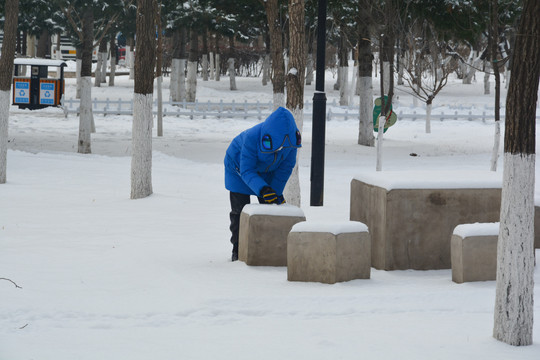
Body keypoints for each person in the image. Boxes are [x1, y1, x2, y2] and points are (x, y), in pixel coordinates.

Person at [224, 107, 302, 261]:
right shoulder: (252, 137)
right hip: (239, 169)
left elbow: (285, 169)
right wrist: (263, 188)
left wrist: (275, 192)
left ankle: (268, 248)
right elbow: (247, 170)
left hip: (267, 171)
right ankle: (238, 251)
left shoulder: (291, 143)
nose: (281, 150)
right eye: (277, 147)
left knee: (271, 209)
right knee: (240, 212)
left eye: (283, 147)